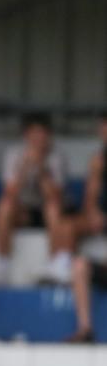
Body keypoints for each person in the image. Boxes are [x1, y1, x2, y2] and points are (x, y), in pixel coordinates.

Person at [0, 113, 71, 285]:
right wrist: (25, 168)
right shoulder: (14, 154)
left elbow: (55, 196)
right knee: (4, 206)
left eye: (42, 134)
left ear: (49, 135)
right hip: (23, 213)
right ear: (26, 135)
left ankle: (54, 266)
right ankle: (2, 264)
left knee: (53, 207)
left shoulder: (57, 156)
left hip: (48, 214)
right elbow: (9, 193)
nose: (38, 139)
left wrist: (42, 168)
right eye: (33, 134)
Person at [67, 113, 107, 342]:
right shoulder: (99, 160)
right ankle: (85, 329)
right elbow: (89, 203)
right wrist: (94, 215)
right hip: (102, 254)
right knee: (80, 265)